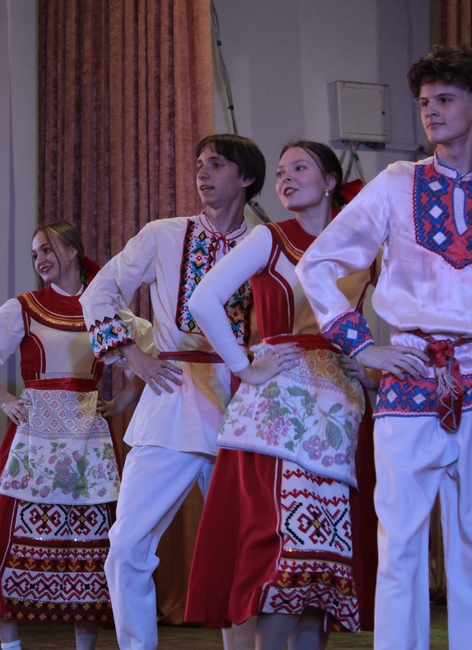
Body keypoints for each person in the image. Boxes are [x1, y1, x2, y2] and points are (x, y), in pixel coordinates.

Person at [296, 44, 472, 650]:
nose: (431, 111)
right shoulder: (398, 182)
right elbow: (317, 264)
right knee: (400, 543)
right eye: (424, 103)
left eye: (445, 99)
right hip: (412, 371)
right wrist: (362, 346)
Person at [184, 141, 378, 650]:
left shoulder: (363, 247)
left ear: (331, 182)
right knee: (282, 550)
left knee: (323, 561)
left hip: (339, 411)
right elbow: (204, 299)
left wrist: (370, 367)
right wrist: (245, 366)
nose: (285, 178)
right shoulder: (270, 238)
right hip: (279, 409)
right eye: (282, 171)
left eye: (300, 168)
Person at [80, 133, 265, 650]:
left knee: (241, 550)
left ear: (247, 178)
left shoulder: (264, 243)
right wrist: (131, 355)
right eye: (199, 164)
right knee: (127, 544)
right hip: (174, 395)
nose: (202, 173)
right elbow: (98, 292)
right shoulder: (164, 234)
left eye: (217, 164)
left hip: (243, 403)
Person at [0, 221, 147, 650]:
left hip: (88, 440)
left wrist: (120, 403)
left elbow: (147, 354)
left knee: (92, 550)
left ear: (73, 251)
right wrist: (3, 397)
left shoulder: (103, 308)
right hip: (33, 437)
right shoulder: (25, 307)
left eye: (47, 249)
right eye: (35, 253)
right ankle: (11, 646)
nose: (40, 259)